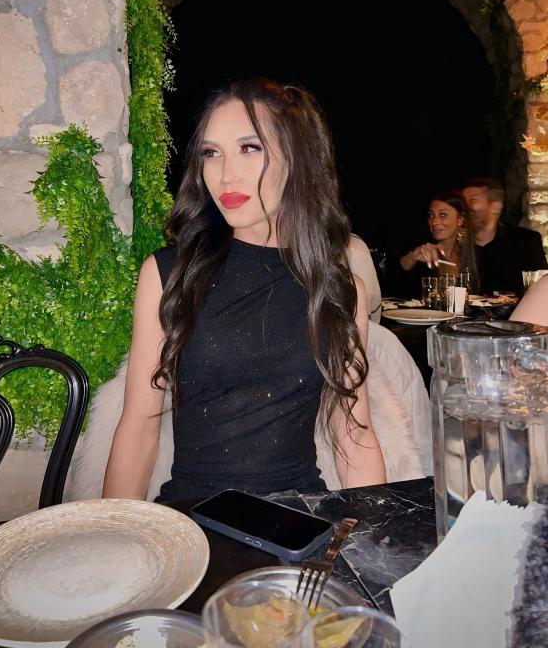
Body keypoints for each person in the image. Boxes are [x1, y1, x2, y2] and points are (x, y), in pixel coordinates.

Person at [103, 79, 386, 502]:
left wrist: (376, 530)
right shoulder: (169, 273)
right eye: (211, 153)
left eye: (249, 148)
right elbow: (139, 428)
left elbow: (354, 435)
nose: (225, 174)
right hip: (193, 518)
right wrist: (115, 530)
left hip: (299, 516)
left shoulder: (340, 291)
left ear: (298, 158)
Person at [384, 190, 479, 301]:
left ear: (460, 220)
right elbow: (391, 283)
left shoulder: (475, 255)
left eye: (443, 215)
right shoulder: (422, 251)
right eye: (431, 215)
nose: (434, 222)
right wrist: (412, 257)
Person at [461, 177, 547, 295]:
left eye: (472, 200)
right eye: (463, 201)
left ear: (495, 207)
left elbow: (541, 288)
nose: (465, 207)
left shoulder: (525, 241)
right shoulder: (459, 245)